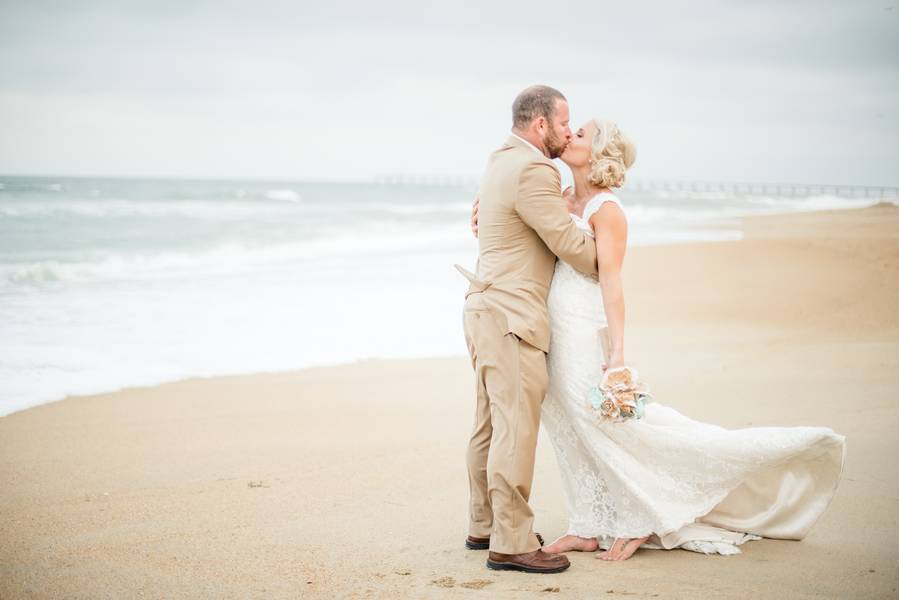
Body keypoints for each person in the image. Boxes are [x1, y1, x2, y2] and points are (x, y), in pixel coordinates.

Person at [469, 118, 846, 561]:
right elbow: (517, 211)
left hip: (579, 328)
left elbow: (611, 281)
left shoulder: (607, 210)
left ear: (600, 153)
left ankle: (637, 517)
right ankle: (587, 523)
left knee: (601, 423)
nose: (569, 135)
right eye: (569, 128)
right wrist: (483, 211)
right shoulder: (559, 198)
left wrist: (619, 354)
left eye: (581, 133)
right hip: (547, 323)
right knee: (566, 424)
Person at [456, 84, 598, 574]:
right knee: (514, 427)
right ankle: (512, 541)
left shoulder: (500, 159)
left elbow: (511, 221)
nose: (567, 131)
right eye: (563, 123)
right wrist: (613, 257)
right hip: (512, 314)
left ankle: (484, 524)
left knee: (490, 425)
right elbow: (566, 243)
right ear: (541, 125)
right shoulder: (537, 168)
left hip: (482, 305)